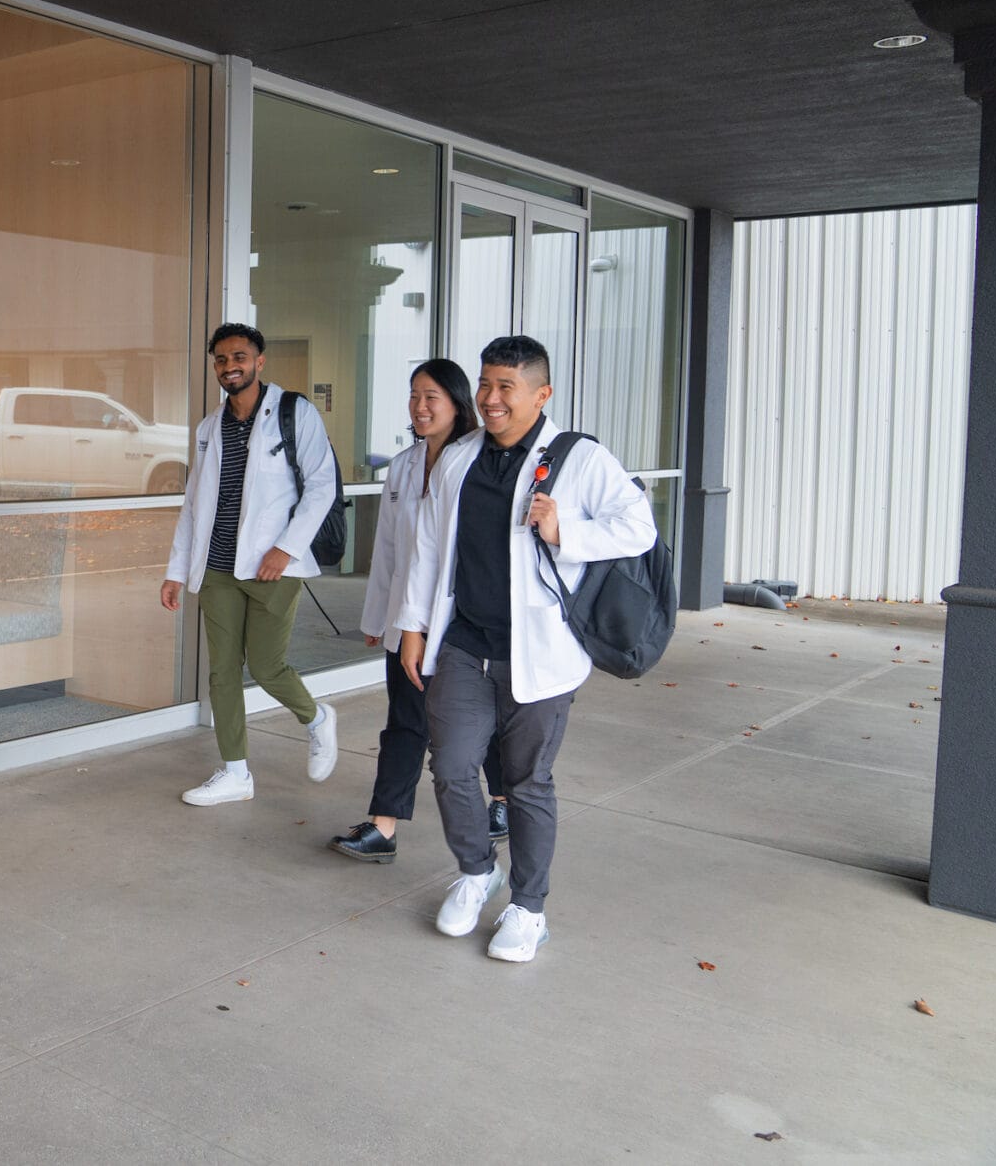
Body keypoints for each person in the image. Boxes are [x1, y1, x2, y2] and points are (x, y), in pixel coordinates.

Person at [397, 336, 655, 962]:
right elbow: (430, 547)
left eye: (505, 387)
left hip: (538, 651)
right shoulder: (460, 458)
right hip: (462, 643)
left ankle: (528, 907)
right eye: (485, 385)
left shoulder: (579, 459)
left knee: (526, 783)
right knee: (453, 767)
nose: (489, 399)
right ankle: (477, 869)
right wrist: (411, 623)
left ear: (540, 395)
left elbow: (637, 525)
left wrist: (566, 527)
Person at [329, 360, 511, 861]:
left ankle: (501, 799)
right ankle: (383, 826)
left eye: (431, 396)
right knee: (406, 720)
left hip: (462, 625)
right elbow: (387, 551)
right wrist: (377, 620)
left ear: (458, 403)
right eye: (414, 396)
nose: (420, 406)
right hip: (408, 622)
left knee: (479, 721)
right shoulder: (404, 465)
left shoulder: (478, 462)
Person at [162, 323, 340, 805]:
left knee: (266, 666)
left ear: (259, 361)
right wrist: (177, 570)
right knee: (221, 671)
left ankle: (317, 718)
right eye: (220, 359)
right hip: (217, 567)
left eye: (238, 357)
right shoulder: (209, 426)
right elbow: (193, 503)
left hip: (271, 566)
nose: (229, 367)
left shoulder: (293, 412)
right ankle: (236, 772)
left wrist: (287, 547)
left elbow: (322, 485)